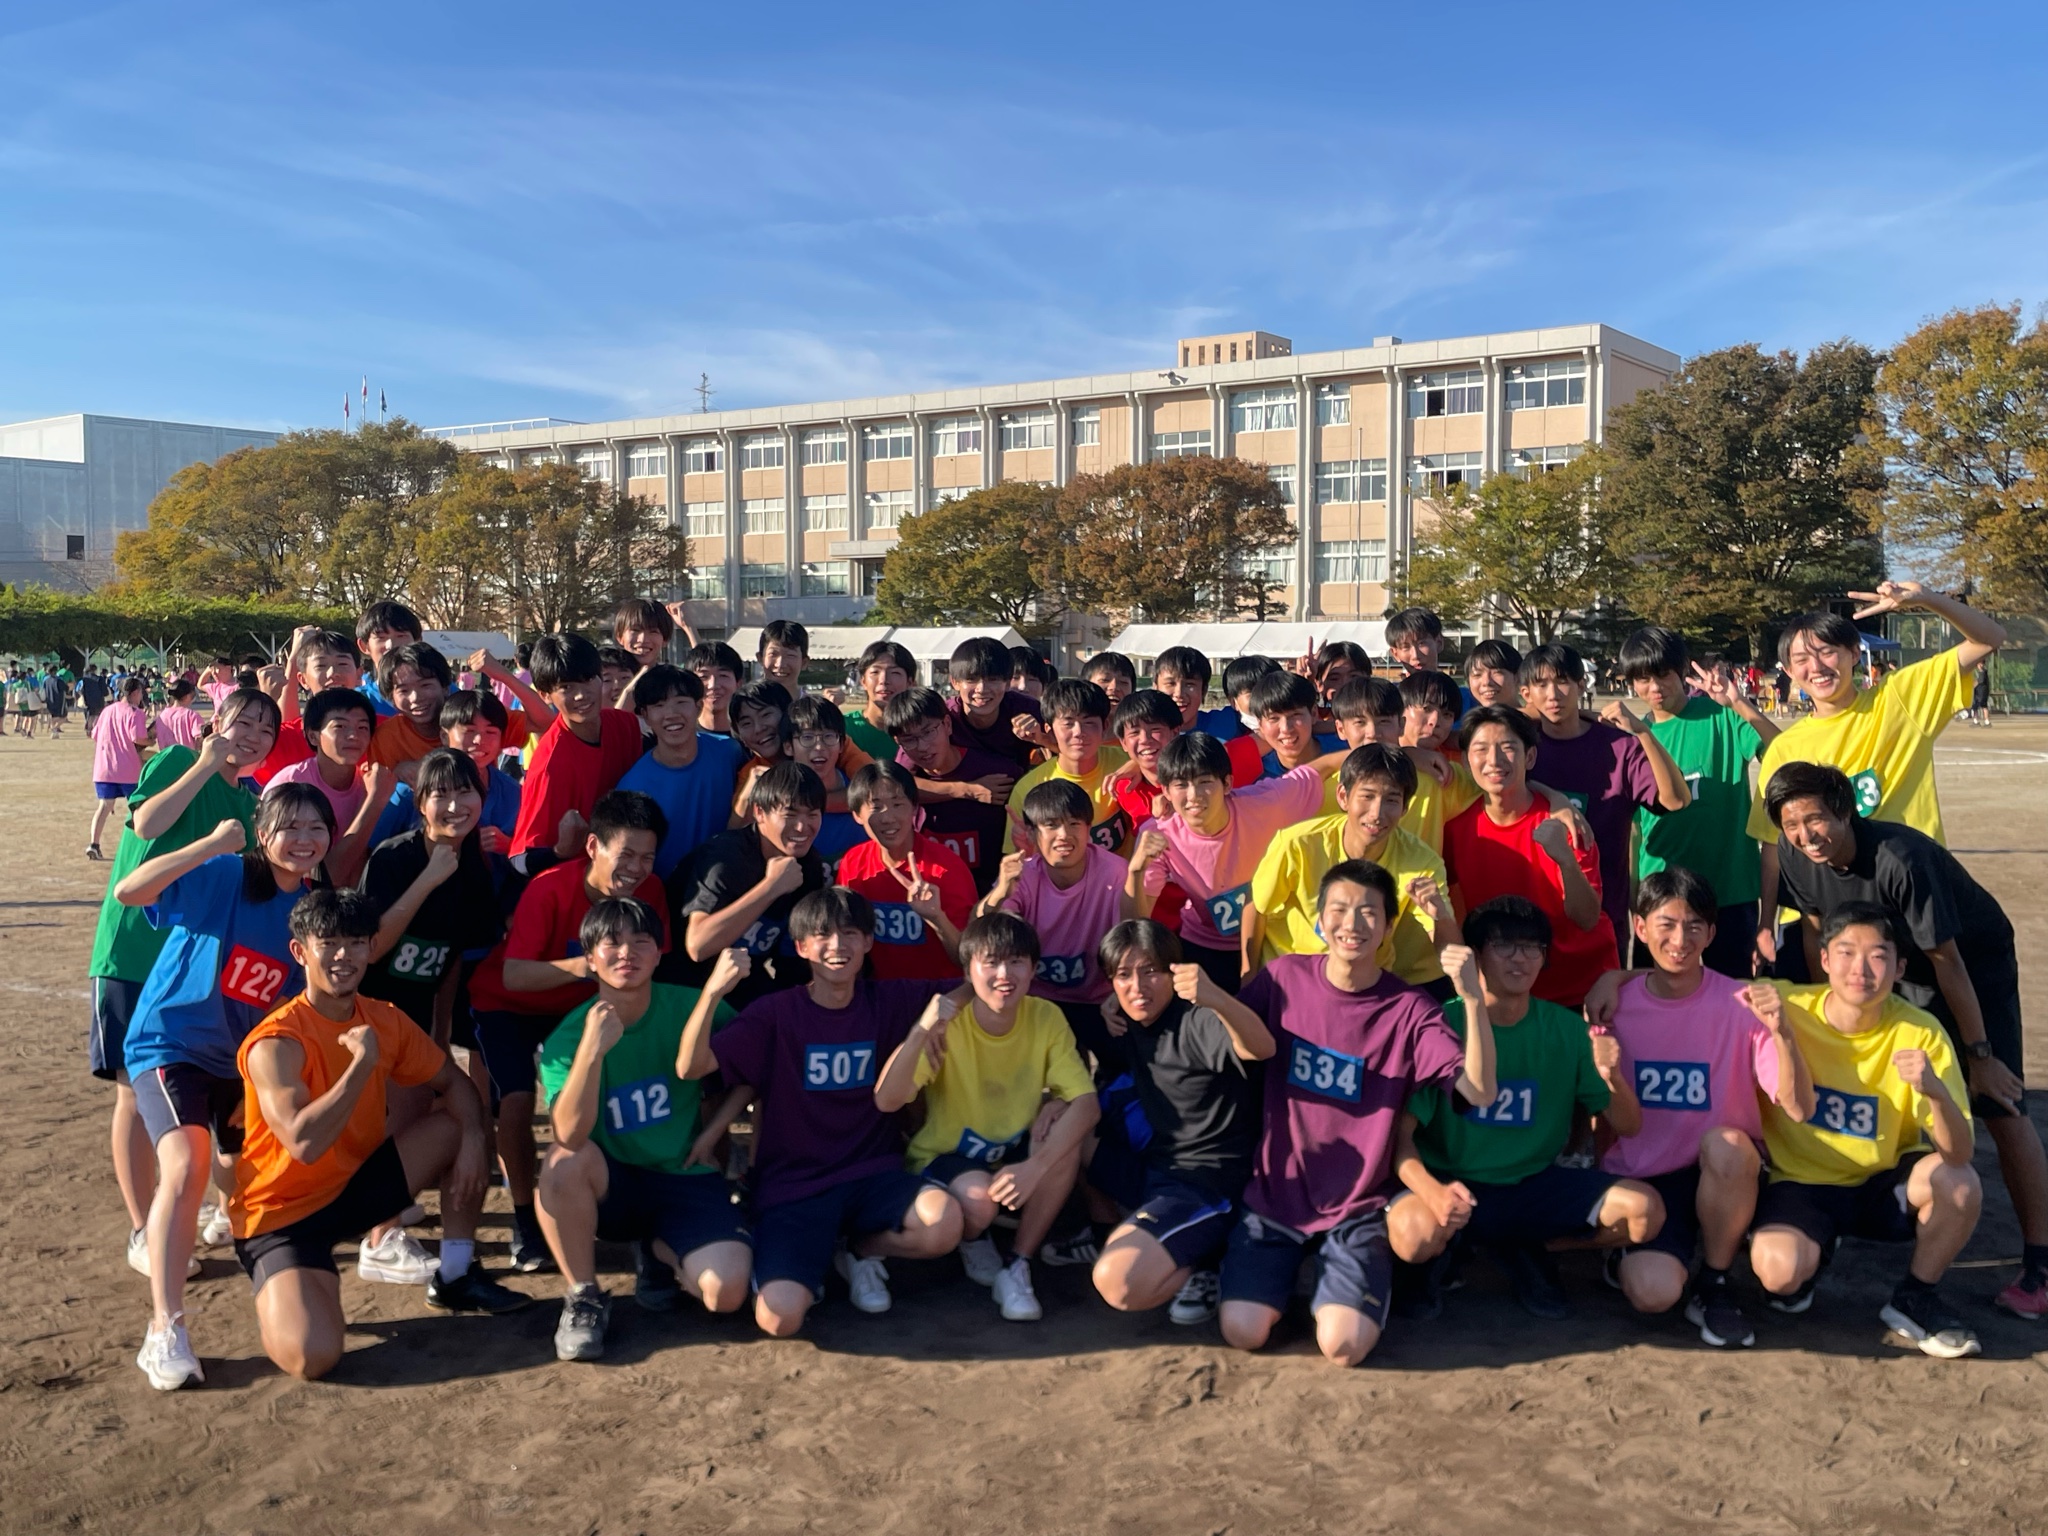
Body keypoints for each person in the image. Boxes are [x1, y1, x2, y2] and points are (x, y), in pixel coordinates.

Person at [1765, 762, 2048, 1317]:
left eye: (1815, 819)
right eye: (1791, 824)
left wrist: (1981, 1056)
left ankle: (2040, 1263)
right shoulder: (1796, 854)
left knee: (2001, 1103)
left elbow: (1948, 962)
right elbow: (1816, 931)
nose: (1805, 835)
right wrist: (1826, 1019)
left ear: (1844, 811)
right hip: (1883, 965)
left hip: (1967, 967)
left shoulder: (1900, 859)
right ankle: (1832, 1208)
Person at [230, 889, 526, 1381]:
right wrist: (361, 1065)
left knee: (457, 1125)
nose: (343, 956)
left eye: (355, 942)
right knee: (312, 1356)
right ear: (300, 952)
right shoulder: (277, 1041)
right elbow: (304, 1143)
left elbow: (453, 1083)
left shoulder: (384, 1018)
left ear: (371, 948)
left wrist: (476, 1141)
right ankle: (293, 1278)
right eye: (328, 943)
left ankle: (455, 1274)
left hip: (354, 1187)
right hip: (281, 1215)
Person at [1218, 863, 1494, 1364]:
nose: (1352, 924)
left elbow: (1477, 1091)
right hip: (1277, 1199)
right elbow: (1219, 1037)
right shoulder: (1282, 978)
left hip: (1359, 1206)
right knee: (1243, 1331)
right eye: (1339, 910)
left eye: (1369, 912)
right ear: (1319, 919)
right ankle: (1297, 1272)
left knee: (1343, 1348)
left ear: (1388, 926)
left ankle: (1347, 1278)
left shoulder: (1410, 1009)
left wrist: (1472, 1000)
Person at [117, 787, 333, 1388]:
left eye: (317, 827)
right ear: (262, 834)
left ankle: (222, 1218)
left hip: (242, 1061)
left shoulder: (312, 909)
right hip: (172, 1045)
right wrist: (210, 846)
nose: (304, 839)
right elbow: (130, 891)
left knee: (240, 1172)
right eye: (290, 826)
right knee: (185, 1164)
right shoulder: (227, 874)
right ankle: (165, 1329)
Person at [681, 888, 965, 1333]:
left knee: (944, 1224)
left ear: (868, 941)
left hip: (874, 1174)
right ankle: (797, 1260)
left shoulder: (890, 1000)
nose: (837, 945)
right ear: (801, 947)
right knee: (778, 1319)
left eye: (850, 933)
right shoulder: (774, 1013)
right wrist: (713, 993)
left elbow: (981, 981)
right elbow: (693, 1067)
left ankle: (861, 1249)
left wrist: (938, 924)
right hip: (794, 1188)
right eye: (823, 935)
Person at [1392, 896, 1661, 1319]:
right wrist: (1433, 1192)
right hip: (1452, 1182)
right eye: (1504, 946)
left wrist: (1612, 1077)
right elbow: (1401, 1140)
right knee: (1413, 1235)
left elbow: (1629, 1126)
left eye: (1532, 947)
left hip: (1532, 1185)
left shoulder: (1568, 1030)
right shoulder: (1439, 1025)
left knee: (1645, 1212)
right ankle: (1441, 1255)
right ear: (1475, 956)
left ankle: (1531, 1248)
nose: (1520, 958)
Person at [88, 689, 281, 1278]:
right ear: (216, 721)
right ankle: (143, 1229)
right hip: (131, 952)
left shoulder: (250, 800)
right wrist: (203, 764)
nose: (252, 735)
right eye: (243, 721)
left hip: (191, 965)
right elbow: (147, 823)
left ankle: (219, 1211)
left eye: (266, 730)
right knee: (133, 1091)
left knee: (207, 1089)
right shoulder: (176, 759)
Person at [1748, 904, 1984, 1358]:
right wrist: (1614, 981)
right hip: (1801, 1182)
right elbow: (1695, 991)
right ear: (1824, 959)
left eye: (1877, 956)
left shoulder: (1921, 1032)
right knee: (1778, 1275)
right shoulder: (1785, 1005)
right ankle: (1813, 1251)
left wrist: (1935, 1092)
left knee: (1960, 1183)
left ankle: (1915, 1295)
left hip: (1883, 1182)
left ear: (1899, 968)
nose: (1861, 969)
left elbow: (1959, 1153)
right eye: (1846, 952)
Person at [1597, 869, 1813, 1349]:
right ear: (1639, 927)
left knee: (1729, 1144)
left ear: (1712, 933)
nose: (1680, 940)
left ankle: (1715, 1280)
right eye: (1666, 924)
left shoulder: (1742, 1005)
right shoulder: (1612, 1007)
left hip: (1725, 1170)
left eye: (1694, 925)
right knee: (1652, 1294)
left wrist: (1783, 1033)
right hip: (1648, 1178)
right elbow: (1606, 1120)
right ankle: (1631, 1251)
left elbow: (1798, 1109)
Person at [466, 790, 673, 1275]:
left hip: (580, 1010)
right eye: (626, 854)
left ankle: (621, 1199)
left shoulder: (651, 893)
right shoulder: (551, 888)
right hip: (508, 1005)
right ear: (594, 846)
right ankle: (525, 1218)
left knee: (610, 1090)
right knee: (517, 1100)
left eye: (647, 858)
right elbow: (514, 975)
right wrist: (585, 965)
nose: (636, 869)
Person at [1747, 582, 2007, 966]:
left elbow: (1990, 638)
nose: (1816, 667)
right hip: (1826, 917)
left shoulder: (1900, 699)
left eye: (1827, 652)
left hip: (1906, 904)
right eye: (1801, 659)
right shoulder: (1785, 748)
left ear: (1854, 653)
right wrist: (1765, 922)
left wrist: (1927, 599)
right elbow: (1773, 846)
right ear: (1787, 670)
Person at [534, 899, 750, 1361]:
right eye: (611, 943)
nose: (626, 953)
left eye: (640, 941)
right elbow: (569, 1135)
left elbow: (758, 1064)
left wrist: (714, 1131)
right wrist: (592, 1051)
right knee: (562, 1164)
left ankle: (659, 1250)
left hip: (685, 1174)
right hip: (615, 1185)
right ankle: (583, 1296)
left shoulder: (690, 1005)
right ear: (590, 958)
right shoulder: (567, 1038)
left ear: (658, 952)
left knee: (726, 1293)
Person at [876, 912, 1100, 1321]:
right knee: (979, 1204)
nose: (1004, 974)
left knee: (1068, 1134)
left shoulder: (1046, 1016)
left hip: (1012, 1152)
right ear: (968, 971)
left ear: (1034, 969)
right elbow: (887, 1101)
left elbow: (1087, 1103)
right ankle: (972, 1235)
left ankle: (1017, 1265)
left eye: (1016, 962)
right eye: (991, 962)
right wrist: (920, 1032)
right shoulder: (947, 1026)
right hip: (949, 1154)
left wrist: (1036, 1166)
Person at [1083, 921, 1261, 1326]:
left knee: (1117, 1280)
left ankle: (1206, 1262)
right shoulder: (1128, 1019)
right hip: (1158, 1169)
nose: (1137, 986)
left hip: (1206, 1185)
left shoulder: (1197, 1021)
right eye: (1123, 975)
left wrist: (1216, 998)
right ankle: (1111, 1236)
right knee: (1072, 1133)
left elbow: (1260, 1046)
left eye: (1150, 971)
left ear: (1175, 972)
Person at [1618, 626, 1778, 976]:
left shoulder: (1722, 716)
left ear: (1682, 671)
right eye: (1643, 679)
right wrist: (1634, 894)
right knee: (1659, 995)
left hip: (1730, 888)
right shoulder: (1631, 739)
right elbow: (1633, 831)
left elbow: (1783, 754)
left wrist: (1739, 703)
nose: (1655, 688)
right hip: (1660, 891)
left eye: (1663, 675)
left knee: (1735, 994)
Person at [1135, 731, 1345, 992]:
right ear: (1166, 791)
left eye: (1204, 782)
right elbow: (1134, 921)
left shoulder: (1267, 802)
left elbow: (1324, 765)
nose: (1194, 795)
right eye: (1181, 785)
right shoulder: (1158, 834)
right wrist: (1135, 871)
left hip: (1270, 939)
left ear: (1227, 784)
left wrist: (1382, 755)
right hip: (1203, 946)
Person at [1443, 706, 1617, 1009]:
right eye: (1481, 749)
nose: (1494, 760)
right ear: (1467, 762)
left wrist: (1566, 860)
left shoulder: (1563, 823)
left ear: (1531, 757)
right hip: (1503, 993)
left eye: (1507, 747)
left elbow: (1587, 918)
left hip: (1581, 990)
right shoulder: (1457, 830)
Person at [1246, 744, 1458, 993]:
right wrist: (1247, 983)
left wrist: (1440, 916)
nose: (1377, 813)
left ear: (1405, 808)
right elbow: (1257, 908)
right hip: (1292, 983)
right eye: (1367, 796)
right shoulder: (1297, 844)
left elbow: (1448, 946)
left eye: (1391, 800)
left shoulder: (1422, 861)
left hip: (1365, 988)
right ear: (1343, 797)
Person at [1519, 642, 1691, 943]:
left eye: (1562, 681)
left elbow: (1675, 800)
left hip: (1605, 922)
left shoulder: (1620, 746)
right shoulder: (1520, 747)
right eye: (1541, 684)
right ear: (1526, 693)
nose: (1553, 694)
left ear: (1581, 685)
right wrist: (1551, 795)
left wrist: (1642, 732)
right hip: (1532, 925)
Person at [666, 760, 828, 1009]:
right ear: (760, 813)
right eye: (790, 814)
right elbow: (698, 946)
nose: (801, 826)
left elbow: (792, 965)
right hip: (684, 989)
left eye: (812, 815)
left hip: (746, 987)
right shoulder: (724, 858)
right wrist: (770, 887)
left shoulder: (809, 866)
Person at [986, 779, 1140, 1030]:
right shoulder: (1022, 874)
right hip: (1033, 1001)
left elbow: (1132, 938)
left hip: (1102, 1001)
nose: (1063, 835)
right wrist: (1001, 891)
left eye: (1074, 824)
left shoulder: (1116, 873)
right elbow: (986, 935)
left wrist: (1120, 993)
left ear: (1089, 828)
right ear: (1032, 833)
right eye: (1051, 825)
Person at [510, 633, 645, 872]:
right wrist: (561, 851)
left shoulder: (626, 725)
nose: (581, 694)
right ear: (545, 695)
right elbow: (520, 861)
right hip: (576, 880)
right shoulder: (550, 765)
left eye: (589, 679)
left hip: (631, 865)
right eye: (566, 687)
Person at [836, 761, 973, 980]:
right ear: (857, 815)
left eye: (897, 804)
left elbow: (969, 959)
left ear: (915, 808)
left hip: (941, 991)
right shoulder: (852, 863)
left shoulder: (946, 868)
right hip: (880, 990)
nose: (888, 817)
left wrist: (937, 917)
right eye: (875, 807)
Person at [616, 664, 746, 880]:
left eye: (681, 702)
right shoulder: (633, 786)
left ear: (698, 706)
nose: (671, 714)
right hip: (664, 891)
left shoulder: (729, 751)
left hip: (727, 883)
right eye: (659, 705)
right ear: (645, 716)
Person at [884, 685, 1014, 894]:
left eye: (928, 732)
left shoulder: (997, 774)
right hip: (924, 896)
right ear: (898, 742)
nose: (922, 746)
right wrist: (965, 790)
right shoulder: (901, 782)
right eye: (909, 739)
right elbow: (894, 787)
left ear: (947, 724)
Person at [367, 688, 523, 854]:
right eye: (469, 731)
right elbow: (369, 852)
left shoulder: (514, 793)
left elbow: (531, 851)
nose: (479, 740)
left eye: (490, 732)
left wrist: (510, 846)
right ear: (444, 736)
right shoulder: (410, 792)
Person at [1001, 678, 1132, 856]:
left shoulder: (1127, 762)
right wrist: (1024, 849)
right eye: (1068, 723)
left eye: (1089, 723)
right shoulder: (1029, 788)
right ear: (1049, 730)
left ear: (1104, 727)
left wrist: (1138, 765)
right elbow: (1015, 859)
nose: (1079, 732)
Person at [784, 695, 866, 859]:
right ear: (788, 747)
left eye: (828, 736)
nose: (819, 747)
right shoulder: (774, 801)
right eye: (807, 737)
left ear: (841, 745)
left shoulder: (866, 794)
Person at [944, 636, 1043, 770]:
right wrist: (963, 784)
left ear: (1007, 683)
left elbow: (1069, 750)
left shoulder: (1028, 710)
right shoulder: (942, 716)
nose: (982, 689)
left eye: (992, 679)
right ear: (955, 682)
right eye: (971, 679)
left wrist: (1042, 738)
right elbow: (912, 771)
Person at [87, 676, 152, 861]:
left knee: (104, 806)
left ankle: (94, 844)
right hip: (128, 769)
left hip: (104, 768)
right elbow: (137, 737)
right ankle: (139, 848)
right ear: (135, 693)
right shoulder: (135, 712)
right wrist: (151, 740)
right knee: (137, 809)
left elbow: (95, 735)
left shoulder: (107, 710)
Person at [1243, 670, 1342, 781]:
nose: (1286, 728)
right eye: (1274, 718)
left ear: (1314, 714)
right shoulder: (1255, 778)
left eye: (1295, 715)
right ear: (1260, 724)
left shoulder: (1348, 750)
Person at [1153, 645, 1246, 741]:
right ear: (1155, 688)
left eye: (1189, 684)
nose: (1179, 693)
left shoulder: (1228, 722)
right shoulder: (1145, 734)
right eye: (1170, 683)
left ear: (1204, 690)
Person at [847, 639, 917, 761]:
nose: (883, 680)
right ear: (863, 681)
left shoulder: (921, 732)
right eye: (875, 672)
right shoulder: (844, 728)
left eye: (895, 673)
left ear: (910, 683)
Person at [685, 639, 746, 736]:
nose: (713, 685)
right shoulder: (681, 737)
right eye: (703, 677)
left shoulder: (751, 738)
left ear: (738, 684)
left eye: (723, 675)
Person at [1464, 638, 1523, 711]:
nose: (1486, 682)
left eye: (1497, 673)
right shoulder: (1464, 717)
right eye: (1477, 675)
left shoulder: (1532, 717)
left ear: (1518, 677)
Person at [757, 618, 810, 698]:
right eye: (773, 654)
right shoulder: (745, 704)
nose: (780, 664)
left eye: (790, 655)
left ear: (804, 662)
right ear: (760, 658)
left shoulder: (813, 705)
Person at [155, 677, 205, 752]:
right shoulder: (192, 716)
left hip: (166, 757)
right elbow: (199, 739)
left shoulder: (161, 717)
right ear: (187, 696)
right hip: (187, 757)